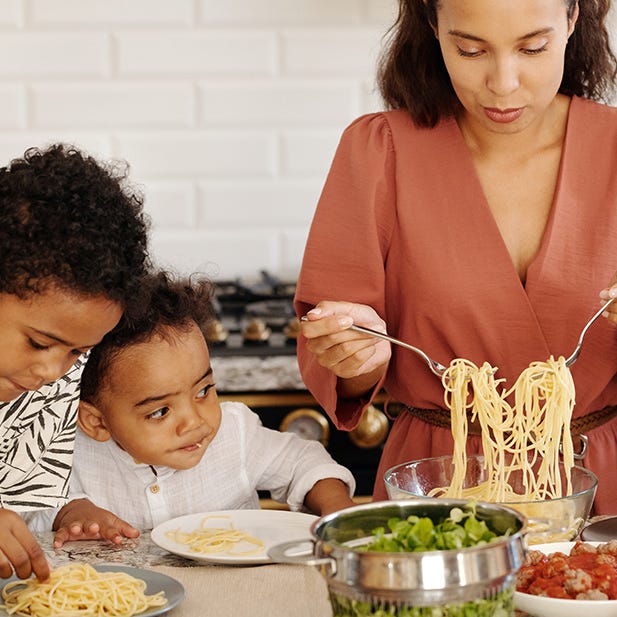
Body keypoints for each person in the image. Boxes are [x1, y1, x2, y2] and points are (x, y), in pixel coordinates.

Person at [294, 0, 617, 514]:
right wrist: (356, 353)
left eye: (533, 47)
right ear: (432, 25)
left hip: (600, 487)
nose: (503, 83)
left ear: (574, 19)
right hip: (439, 483)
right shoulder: (379, 150)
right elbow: (343, 365)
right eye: (470, 49)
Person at [25, 271, 356, 547]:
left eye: (203, 390)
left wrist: (338, 513)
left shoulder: (234, 434)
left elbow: (304, 463)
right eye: (160, 412)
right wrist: (71, 512)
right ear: (96, 422)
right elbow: (34, 507)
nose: (195, 422)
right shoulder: (65, 451)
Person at [0, 143, 151, 580]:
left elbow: (26, 516)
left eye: (76, 352)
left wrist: (70, 512)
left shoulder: (41, 393)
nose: (52, 372)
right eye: (37, 342)